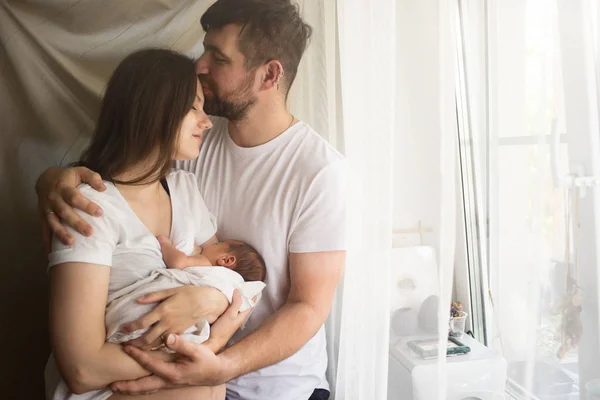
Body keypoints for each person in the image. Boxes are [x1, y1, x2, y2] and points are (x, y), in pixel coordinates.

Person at [36, 1, 347, 399]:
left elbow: (308, 305)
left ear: (269, 75)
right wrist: (49, 181)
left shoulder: (319, 171)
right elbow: (126, 179)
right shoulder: (192, 151)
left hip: (271, 385)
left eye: (218, 58)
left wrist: (216, 357)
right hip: (178, 372)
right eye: (204, 50)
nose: (200, 66)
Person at [44, 48, 251, 400]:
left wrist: (207, 301)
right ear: (154, 110)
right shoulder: (90, 206)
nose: (207, 121)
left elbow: (233, 289)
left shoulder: (185, 189)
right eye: (194, 107)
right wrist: (196, 362)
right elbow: (82, 369)